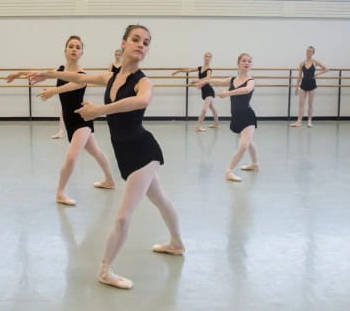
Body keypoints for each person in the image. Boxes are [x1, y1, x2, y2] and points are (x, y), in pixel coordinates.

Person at [28, 25, 185, 289]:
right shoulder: (111, 77)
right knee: (160, 199)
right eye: (135, 39)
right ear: (123, 44)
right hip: (125, 152)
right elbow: (78, 78)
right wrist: (47, 73)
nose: (141, 45)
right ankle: (177, 243)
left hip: (142, 152)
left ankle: (105, 269)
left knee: (124, 216)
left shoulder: (143, 82)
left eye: (146, 42)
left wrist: (100, 110)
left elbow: (141, 101)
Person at [7, 35, 115, 206]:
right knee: (96, 152)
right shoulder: (60, 69)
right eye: (71, 46)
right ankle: (109, 181)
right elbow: (41, 73)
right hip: (69, 120)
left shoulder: (81, 74)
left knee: (72, 157)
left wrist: (54, 90)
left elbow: (74, 85)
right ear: (65, 50)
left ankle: (60, 193)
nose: (74, 49)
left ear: (81, 53)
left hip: (82, 117)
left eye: (77, 47)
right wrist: (18, 73)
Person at [196, 53, 259, 182]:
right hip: (236, 116)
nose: (247, 63)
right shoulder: (232, 79)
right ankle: (255, 164)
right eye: (244, 61)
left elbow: (246, 90)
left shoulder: (251, 81)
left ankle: (229, 171)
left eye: (249, 61)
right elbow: (218, 81)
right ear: (238, 63)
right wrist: (204, 81)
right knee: (249, 142)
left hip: (247, 116)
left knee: (244, 145)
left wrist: (228, 93)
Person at [172, 52, 219, 131]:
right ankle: (216, 123)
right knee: (212, 108)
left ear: (211, 59)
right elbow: (189, 70)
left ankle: (198, 126)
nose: (207, 58)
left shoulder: (209, 70)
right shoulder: (200, 68)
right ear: (203, 57)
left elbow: (208, 79)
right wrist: (178, 71)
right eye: (206, 56)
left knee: (204, 109)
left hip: (209, 91)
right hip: (203, 91)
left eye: (209, 57)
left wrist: (196, 80)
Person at [289, 46, 329, 128]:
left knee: (310, 104)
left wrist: (317, 74)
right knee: (301, 103)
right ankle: (299, 120)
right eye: (307, 51)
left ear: (313, 53)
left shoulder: (315, 62)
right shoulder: (302, 63)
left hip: (312, 85)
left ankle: (309, 121)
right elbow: (299, 76)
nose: (308, 52)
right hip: (303, 84)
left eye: (310, 51)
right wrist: (296, 87)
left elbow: (326, 69)